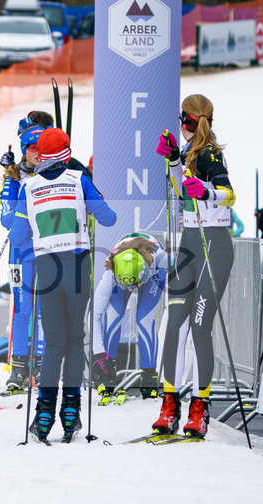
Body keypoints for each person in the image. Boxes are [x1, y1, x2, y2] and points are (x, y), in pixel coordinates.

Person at [9, 127, 116, 443]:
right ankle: (71, 412)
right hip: (78, 265)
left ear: (40, 155)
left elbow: (17, 236)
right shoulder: (78, 179)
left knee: (54, 341)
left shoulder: (28, 187)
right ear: (67, 154)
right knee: (75, 339)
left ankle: (44, 415)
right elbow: (108, 218)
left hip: (47, 268)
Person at [153, 94, 234, 438]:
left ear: (187, 121)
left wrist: (206, 191)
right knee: (174, 323)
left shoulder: (209, 153)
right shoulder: (189, 153)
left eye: (181, 119)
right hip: (189, 243)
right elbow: (179, 192)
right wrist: (174, 160)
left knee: (200, 327)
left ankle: (199, 408)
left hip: (213, 244)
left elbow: (229, 194)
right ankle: (169, 404)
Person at [90, 233, 166, 405]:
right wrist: (99, 355)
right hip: (125, 271)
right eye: (128, 286)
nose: (132, 290)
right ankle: (108, 372)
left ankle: (149, 377)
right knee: (112, 315)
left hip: (153, 274)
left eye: (135, 285)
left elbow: (184, 269)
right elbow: (94, 314)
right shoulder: (112, 270)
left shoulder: (160, 258)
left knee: (144, 319)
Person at [0, 123, 45, 393]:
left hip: (46, 249)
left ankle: (39, 365)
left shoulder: (53, 175)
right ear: (24, 150)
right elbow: (6, 219)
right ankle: (18, 367)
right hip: (21, 251)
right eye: (32, 148)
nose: (37, 153)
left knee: (43, 309)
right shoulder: (14, 178)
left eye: (42, 147)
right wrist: (27, 206)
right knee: (23, 307)